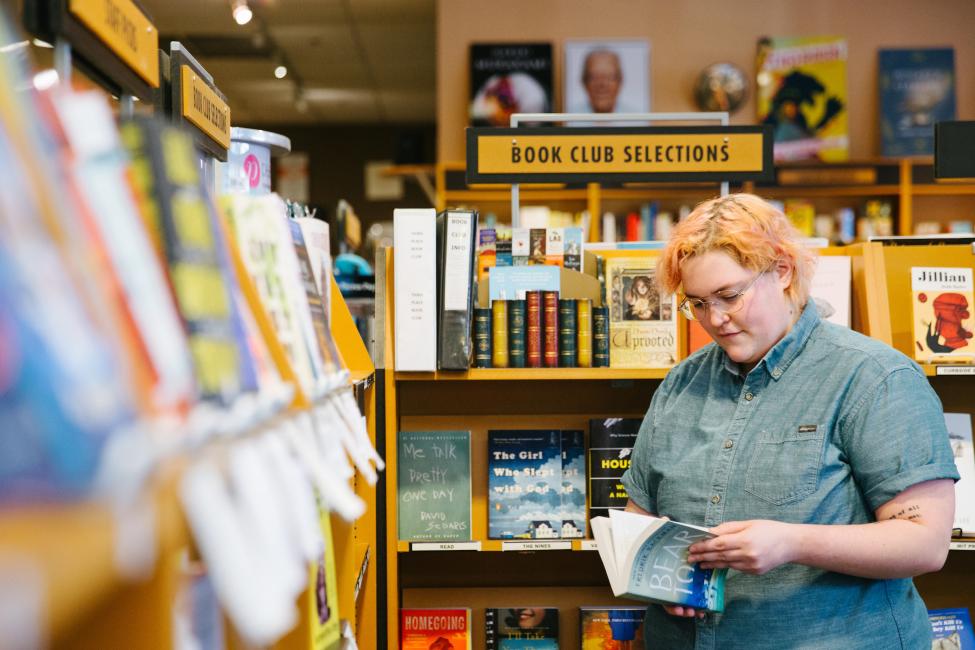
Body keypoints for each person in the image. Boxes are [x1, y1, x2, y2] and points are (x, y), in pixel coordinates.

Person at [620, 193, 959, 648]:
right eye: (696, 303)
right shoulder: (682, 382)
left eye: (729, 296)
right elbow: (638, 518)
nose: (715, 319)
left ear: (781, 271)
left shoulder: (874, 377)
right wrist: (660, 583)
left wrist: (790, 544)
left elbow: (925, 543)